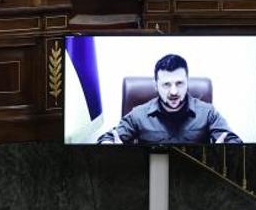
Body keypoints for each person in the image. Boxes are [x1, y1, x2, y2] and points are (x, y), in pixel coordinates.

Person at [97, 54, 242, 144]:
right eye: (166, 84)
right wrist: (110, 147)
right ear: (156, 86)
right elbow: (106, 139)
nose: (174, 92)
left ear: (187, 83)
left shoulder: (207, 112)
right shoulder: (138, 114)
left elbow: (233, 141)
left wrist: (227, 151)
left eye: (179, 83)